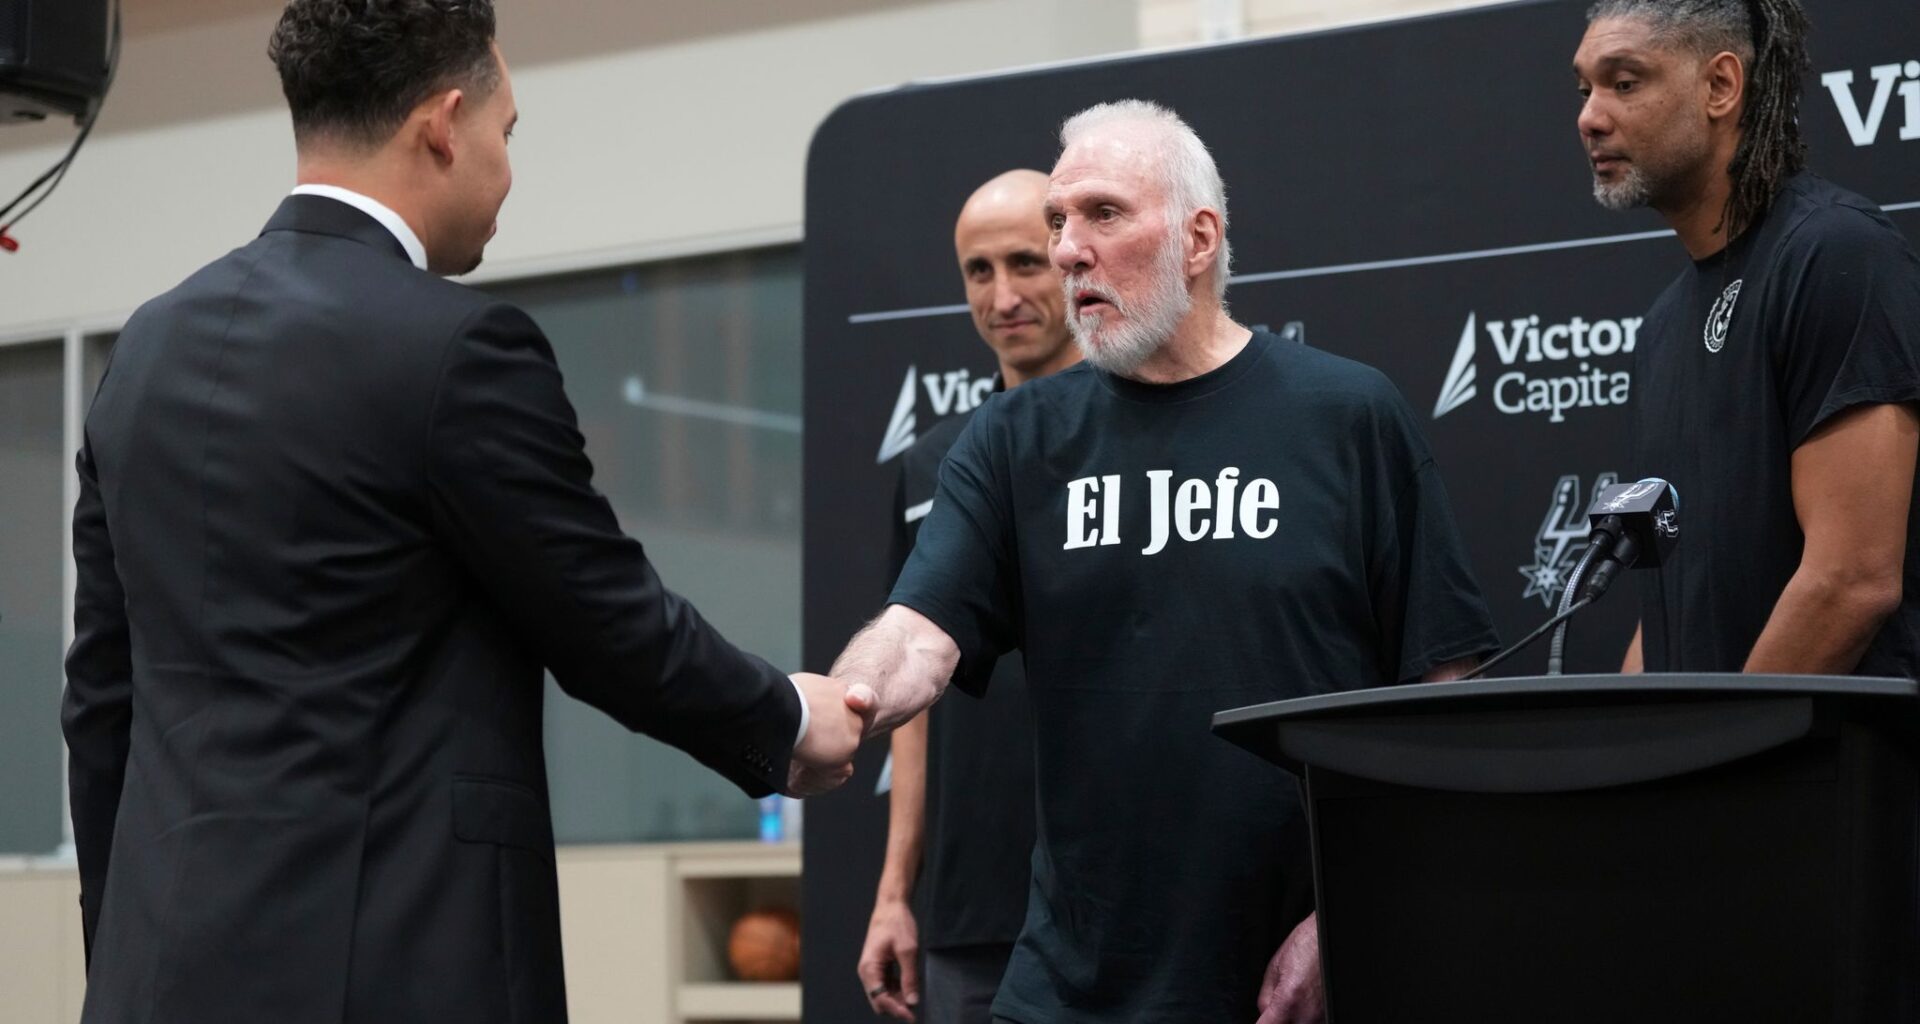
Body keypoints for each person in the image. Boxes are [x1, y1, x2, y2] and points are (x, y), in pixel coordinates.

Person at [59, 3, 866, 1022]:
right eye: (506, 131)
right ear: (443, 124)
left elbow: (101, 699)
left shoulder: (144, 352)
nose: (509, 168)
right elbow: (603, 617)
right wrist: (784, 719)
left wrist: (121, 955)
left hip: (157, 973)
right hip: (392, 970)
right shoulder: (458, 348)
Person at [829, 100, 1499, 1024]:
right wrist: (840, 701)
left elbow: (1445, 693)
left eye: (1102, 214)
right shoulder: (1013, 439)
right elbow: (918, 632)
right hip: (1069, 983)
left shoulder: (1347, 416)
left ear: (1198, 238)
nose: (1068, 250)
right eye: (1059, 221)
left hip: (1292, 974)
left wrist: (1348, 918)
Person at [1574, 0, 1920, 676]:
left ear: (1721, 86)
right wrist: (1637, 736)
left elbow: (1851, 580)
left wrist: (1724, 738)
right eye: (1584, 88)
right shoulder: (1663, 325)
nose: (1590, 116)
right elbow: (1669, 607)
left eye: (1624, 82)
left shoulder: (1835, 253)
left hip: (1828, 744)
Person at [857, 169, 1081, 1024]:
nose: (1003, 297)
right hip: (971, 906)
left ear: (1072, 259)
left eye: (1025, 263)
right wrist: (894, 893)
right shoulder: (932, 466)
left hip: (1119, 896)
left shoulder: (1150, 443)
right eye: (978, 271)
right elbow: (913, 701)